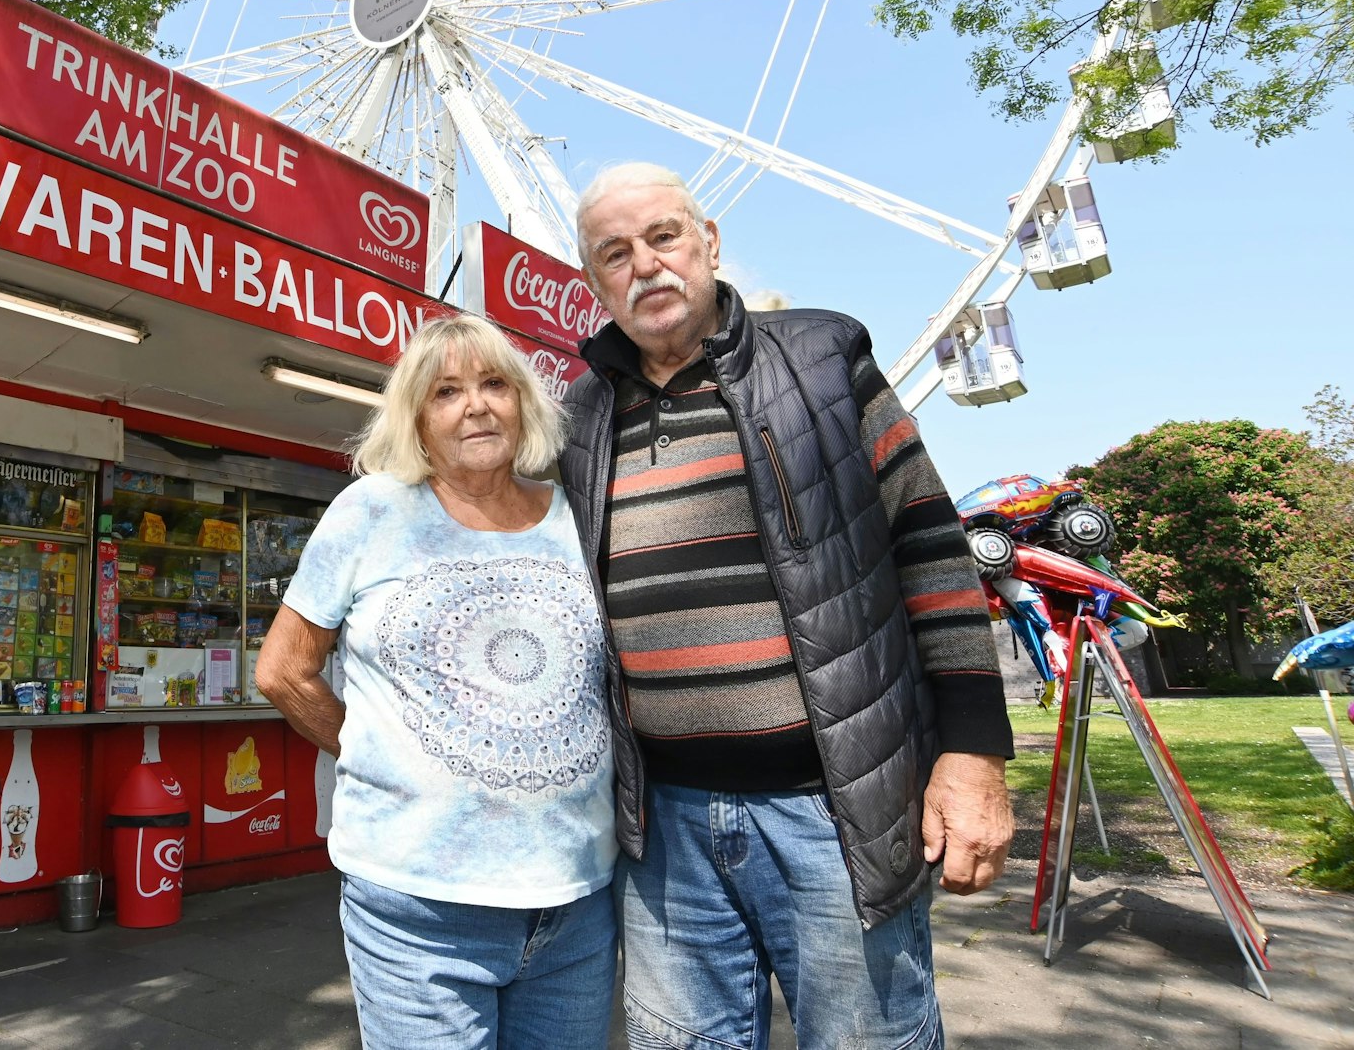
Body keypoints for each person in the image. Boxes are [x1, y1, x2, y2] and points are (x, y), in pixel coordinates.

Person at [557, 162, 1015, 1049]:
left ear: (708, 242)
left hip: (831, 812)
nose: (645, 264)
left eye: (663, 236)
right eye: (615, 253)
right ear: (594, 281)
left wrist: (973, 754)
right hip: (663, 831)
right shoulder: (582, 414)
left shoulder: (822, 361)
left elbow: (930, 548)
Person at [257, 314, 618, 1050]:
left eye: (494, 384)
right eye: (446, 392)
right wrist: (377, 750)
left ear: (524, 402)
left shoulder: (576, 518)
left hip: (575, 903)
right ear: (417, 420)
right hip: (418, 910)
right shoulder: (372, 511)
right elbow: (284, 669)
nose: (475, 405)